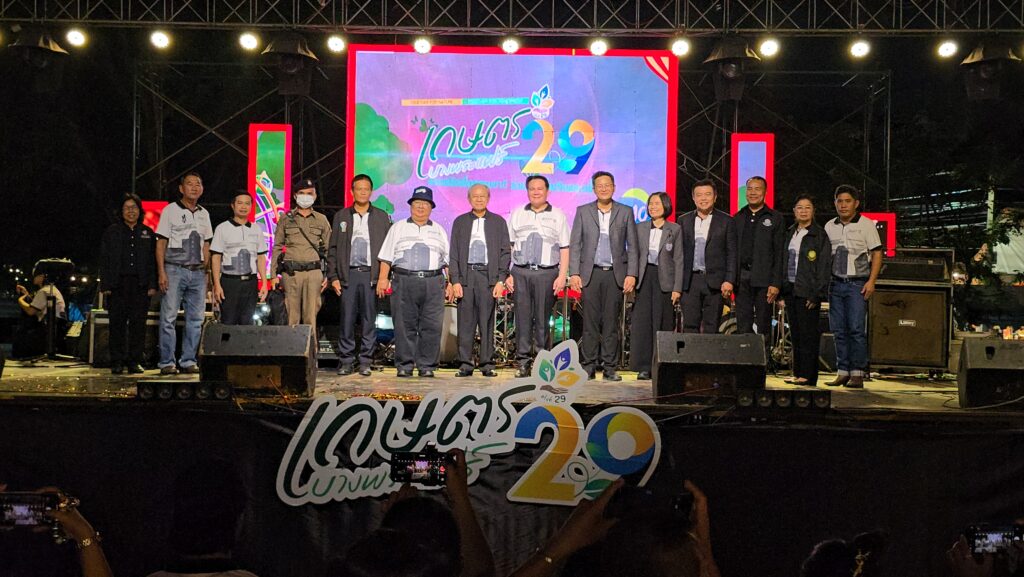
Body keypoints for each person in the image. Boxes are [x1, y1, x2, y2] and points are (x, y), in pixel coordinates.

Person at [568, 171, 638, 381]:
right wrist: (574, 273)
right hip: (591, 274)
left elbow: (633, 246)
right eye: (600, 185)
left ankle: (609, 368)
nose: (604, 188)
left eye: (607, 185)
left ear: (614, 187)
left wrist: (631, 274)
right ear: (594, 189)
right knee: (589, 323)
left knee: (611, 323)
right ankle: (588, 366)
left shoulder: (625, 212)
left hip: (615, 275)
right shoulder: (583, 211)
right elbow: (575, 245)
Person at [376, 186, 449, 378]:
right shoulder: (398, 228)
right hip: (404, 280)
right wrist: (383, 279)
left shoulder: (439, 230)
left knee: (432, 326)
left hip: (433, 282)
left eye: (425, 204)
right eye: (417, 203)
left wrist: (451, 282)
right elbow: (386, 257)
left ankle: (427, 366)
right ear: (410, 206)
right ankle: (404, 365)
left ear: (431, 207)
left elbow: (447, 261)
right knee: (403, 325)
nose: (421, 207)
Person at [327, 174, 392, 377]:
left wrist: (384, 277)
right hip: (348, 275)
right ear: (352, 191)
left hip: (371, 276)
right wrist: (334, 277)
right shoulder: (342, 216)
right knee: (346, 319)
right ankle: (346, 360)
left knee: (369, 319)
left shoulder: (382, 217)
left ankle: (365, 361)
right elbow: (333, 249)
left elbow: (388, 250)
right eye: (359, 189)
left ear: (371, 192)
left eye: (366, 189)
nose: (363, 192)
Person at [507, 175, 570, 378]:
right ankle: (523, 362)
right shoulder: (518, 213)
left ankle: (543, 362)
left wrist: (562, 276)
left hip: (546, 273)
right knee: (522, 319)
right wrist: (507, 273)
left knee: (543, 320)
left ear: (547, 191)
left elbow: (565, 248)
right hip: (520, 272)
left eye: (540, 188)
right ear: (527, 191)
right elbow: (508, 246)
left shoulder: (558, 215)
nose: (536, 192)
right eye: (532, 188)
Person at [448, 183, 511, 378]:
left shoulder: (498, 222)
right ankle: (465, 364)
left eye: (482, 196)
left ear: (488, 198)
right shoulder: (460, 222)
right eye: (475, 196)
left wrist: (500, 280)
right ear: (469, 199)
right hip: (466, 277)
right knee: (465, 323)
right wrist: (455, 280)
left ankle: (487, 364)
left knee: (487, 322)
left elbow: (505, 252)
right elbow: (454, 253)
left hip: (488, 277)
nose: (479, 199)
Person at [155, 172, 213, 375]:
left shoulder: (204, 214)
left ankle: (188, 360)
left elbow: (206, 244)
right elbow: (161, 243)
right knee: (168, 317)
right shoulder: (170, 210)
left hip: (197, 272)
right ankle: (167, 362)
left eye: (198, 184)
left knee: (196, 320)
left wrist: (207, 272)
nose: (194, 187)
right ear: (181, 188)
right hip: (174, 269)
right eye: (190, 184)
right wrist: (161, 272)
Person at [824, 184, 882, 389]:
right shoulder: (829, 226)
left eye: (847, 201)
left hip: (857, 283)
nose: (843, 205)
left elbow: (877, 253)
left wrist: (871, 281)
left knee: (856, 329)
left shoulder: (866, 225)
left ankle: (857, 373)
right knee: (838, 330)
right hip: (835, 284)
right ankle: (843, 371)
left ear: (856, 204)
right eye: (839, 201)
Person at [99, 193, 158, 374]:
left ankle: (135, 361)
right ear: (121, 211)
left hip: (140, 285)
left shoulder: (148, 233)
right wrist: (105, 286)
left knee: (138, 325)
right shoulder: (112, 232)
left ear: (140, 211)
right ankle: (117, 361)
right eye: (127, 208)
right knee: (116, 324)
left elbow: (153, 261)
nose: (131, 211)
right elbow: (104, 259)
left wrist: (152, 285)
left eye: (134, 208)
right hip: (117, 285)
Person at [779, 195, 832, 387]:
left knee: (808, 335)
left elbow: (824, 266)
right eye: (799, 207)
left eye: (807, 207)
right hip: (791, 290)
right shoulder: (790, 233)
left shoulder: (819, 235)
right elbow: (783, 261)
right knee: (796, 334)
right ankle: (798, 372)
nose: (803, 211)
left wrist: (817, 294)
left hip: (808, 292)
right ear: (794, 211)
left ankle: (809, 376)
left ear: (813, 211)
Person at [630, 192, 683, 381]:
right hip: (644, 278)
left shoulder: (675, 229)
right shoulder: (640, 227)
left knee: (662, 323)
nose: (653, 207)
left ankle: (660, 366)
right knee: (643, 324)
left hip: (665, 281)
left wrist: (677, 288)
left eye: (657, 204)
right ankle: (644, 367)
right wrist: (632, 277)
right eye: (650, 203)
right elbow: (634, 255)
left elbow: (679, 260)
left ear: (666, 206)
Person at [270, 178, 332, 333]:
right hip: (291, 273)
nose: (306, 196)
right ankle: (291, 349)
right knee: (292, 317)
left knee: (311, 317)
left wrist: (329, 275)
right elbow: (277, 246)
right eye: (302, 193)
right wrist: (273, 275)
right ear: (295, 196)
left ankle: (310, 349)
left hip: (314, 273)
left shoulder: (321, 219)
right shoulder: (285, 218)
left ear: (315, 196)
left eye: (309, 193)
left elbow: (329, 250)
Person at [679, 179, 736, 334]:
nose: (703, 198)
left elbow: (732, 253)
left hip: (715, 282)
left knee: (712, 326)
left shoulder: (727, 221)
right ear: (693, 198)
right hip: (690, 281)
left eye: (707, 194)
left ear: (715, 197)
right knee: (689, 326)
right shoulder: (683, 220)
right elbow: (679, 254)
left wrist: (729, 280)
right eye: (699, 195)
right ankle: (691, 352)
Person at [731, 176, 785, 339]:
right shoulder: (738, 217)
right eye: (750, 189)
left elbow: (780, 253)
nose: (753, 192)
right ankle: (745, 356)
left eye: (757, 189)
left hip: (765, 281)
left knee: (764, 326)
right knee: (743, 325)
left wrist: (775, 283)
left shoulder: (775, 218)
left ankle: (764, 356)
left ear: (765, 192)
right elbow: (732, 251)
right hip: (742, 280)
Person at [210, 192, 268, 325]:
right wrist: (217, 285)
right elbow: (216, 258)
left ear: (251, 206)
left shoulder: (256, 229)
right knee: (228, 322)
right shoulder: (222, 228)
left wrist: (264, 282)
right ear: (233, 205)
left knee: (247, 323)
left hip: (251, 283)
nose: (243, 207)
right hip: (229, 283)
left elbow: (260, 257)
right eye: (240, 203)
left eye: (247, 203)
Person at [13, 264, 67, 358]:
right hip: (57, 328)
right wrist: (26, 294)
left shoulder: (43, 291)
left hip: (47, 329)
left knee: (20, 335)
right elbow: (37, 305)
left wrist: (20, 300)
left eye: (35, 275)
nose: (33, 277)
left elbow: (30, 311)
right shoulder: (52, 289)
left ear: (42, 277)